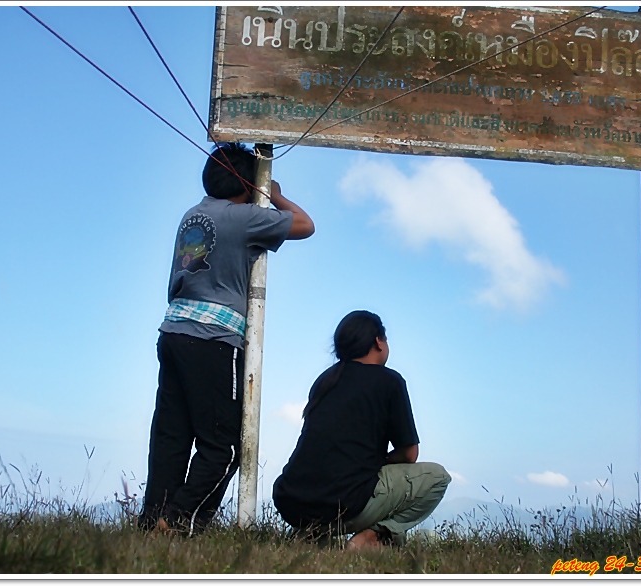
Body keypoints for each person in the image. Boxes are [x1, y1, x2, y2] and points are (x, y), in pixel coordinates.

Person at [140, 143, 314, 535]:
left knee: (172, 437)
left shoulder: (193, 214)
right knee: (226, 445)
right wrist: (273, 194)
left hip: (174, 330)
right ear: (246, 184)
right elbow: (305, 225)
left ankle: (152, 520)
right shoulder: (243, 218)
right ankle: (179, 520)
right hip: (214, 338)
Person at [272, 310, 451, 550]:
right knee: (438, 477)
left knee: (341, 484)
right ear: (379, 342)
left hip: (291, 501)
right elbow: (409, 454)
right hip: (346, 504)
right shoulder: (389, 381)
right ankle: (375, 537)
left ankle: (311, 536)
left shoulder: (325, 381)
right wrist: (377, 462)